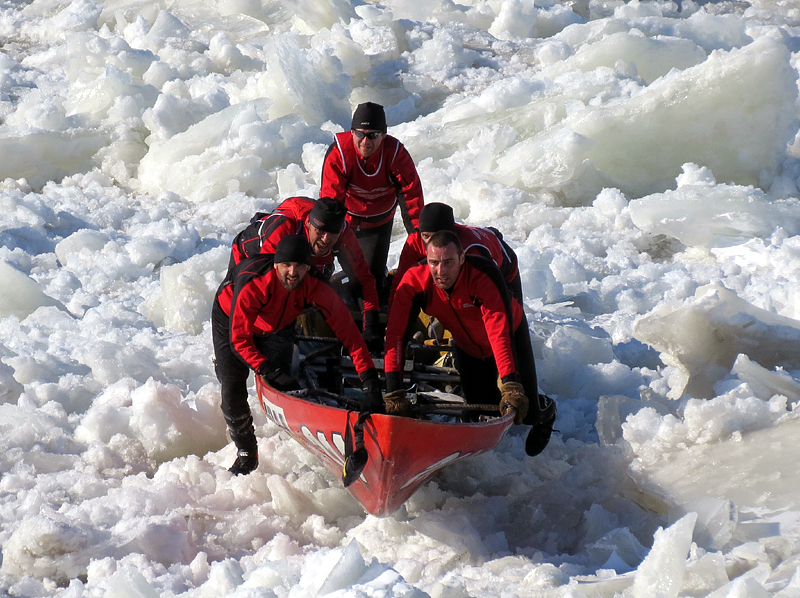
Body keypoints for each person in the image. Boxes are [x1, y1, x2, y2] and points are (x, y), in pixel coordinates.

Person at [212, 234, 383, 475]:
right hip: (230, 318)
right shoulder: (254, 283)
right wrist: (266, 368)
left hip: (278, 324)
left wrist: (369, 381)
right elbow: (239, 340)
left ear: (308, 267)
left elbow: (351, 336)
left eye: (300, 266)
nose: (293, 272)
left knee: (287, 382)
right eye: (286, 266)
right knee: (232, 386)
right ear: (276, 265)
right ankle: (247, 453)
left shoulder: (316, 286)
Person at [383, 230, 556, 457]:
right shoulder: (415, 281)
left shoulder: (482, 275)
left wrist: (511, 383)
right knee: (484, 410)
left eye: (448, 263)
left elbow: (498, 333)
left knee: (526, 412)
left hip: (508, 334)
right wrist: (394, 390)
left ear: (462, 259)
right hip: (466, 345)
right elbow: (395, 336)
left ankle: (547, 410)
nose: (441, 271)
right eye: (434, 263)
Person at [227, 196, 382, 349]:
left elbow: (362, 278)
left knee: (316, 289)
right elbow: (268, 284)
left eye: (332, 234)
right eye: (320, 231)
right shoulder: (284, 229)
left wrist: (371, 324)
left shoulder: (343, 234)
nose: (326, 239)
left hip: (302, 261)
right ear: (308, 224)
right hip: (251, 258)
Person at [320, 102, 424, 300]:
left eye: (373, 135)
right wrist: (326, 243)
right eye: (360, 133)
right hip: (345, 222)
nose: (365, 141)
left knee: (371, 283)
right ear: (351, 132)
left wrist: (419, 239)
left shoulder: (395, 154)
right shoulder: (339, 153)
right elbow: (330, 202)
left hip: (378, 223)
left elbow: (412, 197)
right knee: (322, 267)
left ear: (384, 135)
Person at [388, 202, 519, 307]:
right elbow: (401, 281)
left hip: (504, 264)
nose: (432, 243)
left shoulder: (471, 249)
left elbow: (492, 296)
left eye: (438, 237)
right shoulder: (415, 240)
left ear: (452, 234)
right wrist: (391, 317)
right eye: (426, 236)